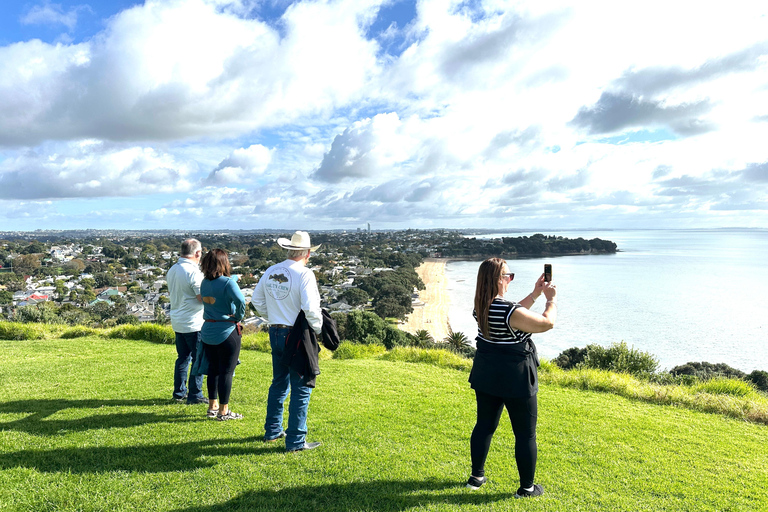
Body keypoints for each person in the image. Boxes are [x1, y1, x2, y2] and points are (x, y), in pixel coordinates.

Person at [465, 258, 557, 498]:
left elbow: (515, 312)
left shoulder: (481, 306)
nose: (510, 279)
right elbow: (547, 323)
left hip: (487, 374)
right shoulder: (508, 310)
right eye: (509, 275)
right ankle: (527, 488)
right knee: (525, 434)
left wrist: (535, 293)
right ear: (498, 279)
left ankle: (476, 478)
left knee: (484, 426)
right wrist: (550, 299)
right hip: (515, 377)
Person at [252, 231, 323, 452]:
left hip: (275, 332)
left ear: (289, 250)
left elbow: (256, 300)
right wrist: (319, 330)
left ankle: (273, 431)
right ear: (308, 253)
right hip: (298, 335)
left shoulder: (272, 270)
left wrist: (271, 315)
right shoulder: (304, 273)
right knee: (302, 387)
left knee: (279, 382)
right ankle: (295, 440)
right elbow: (311, 308)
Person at [200, 249, 246, 421]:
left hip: (208, 331)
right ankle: (224, 411)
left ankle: (212, 406)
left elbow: (220, 285)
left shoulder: (204, 283)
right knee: (226, 371)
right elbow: (240, 300)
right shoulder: (228, 283)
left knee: (212, 370)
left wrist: (234, 279)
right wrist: (238, 317)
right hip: (227, 331)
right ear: (224, 263)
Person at [167, 238, 207, 405]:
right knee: (198, 359)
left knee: (183, 357)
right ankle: (195, 394)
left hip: (178, 320)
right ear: (197, 253)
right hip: (194, 322)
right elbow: (201, 297)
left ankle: (179, 392)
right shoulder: (193, 272)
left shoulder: (173, 269)